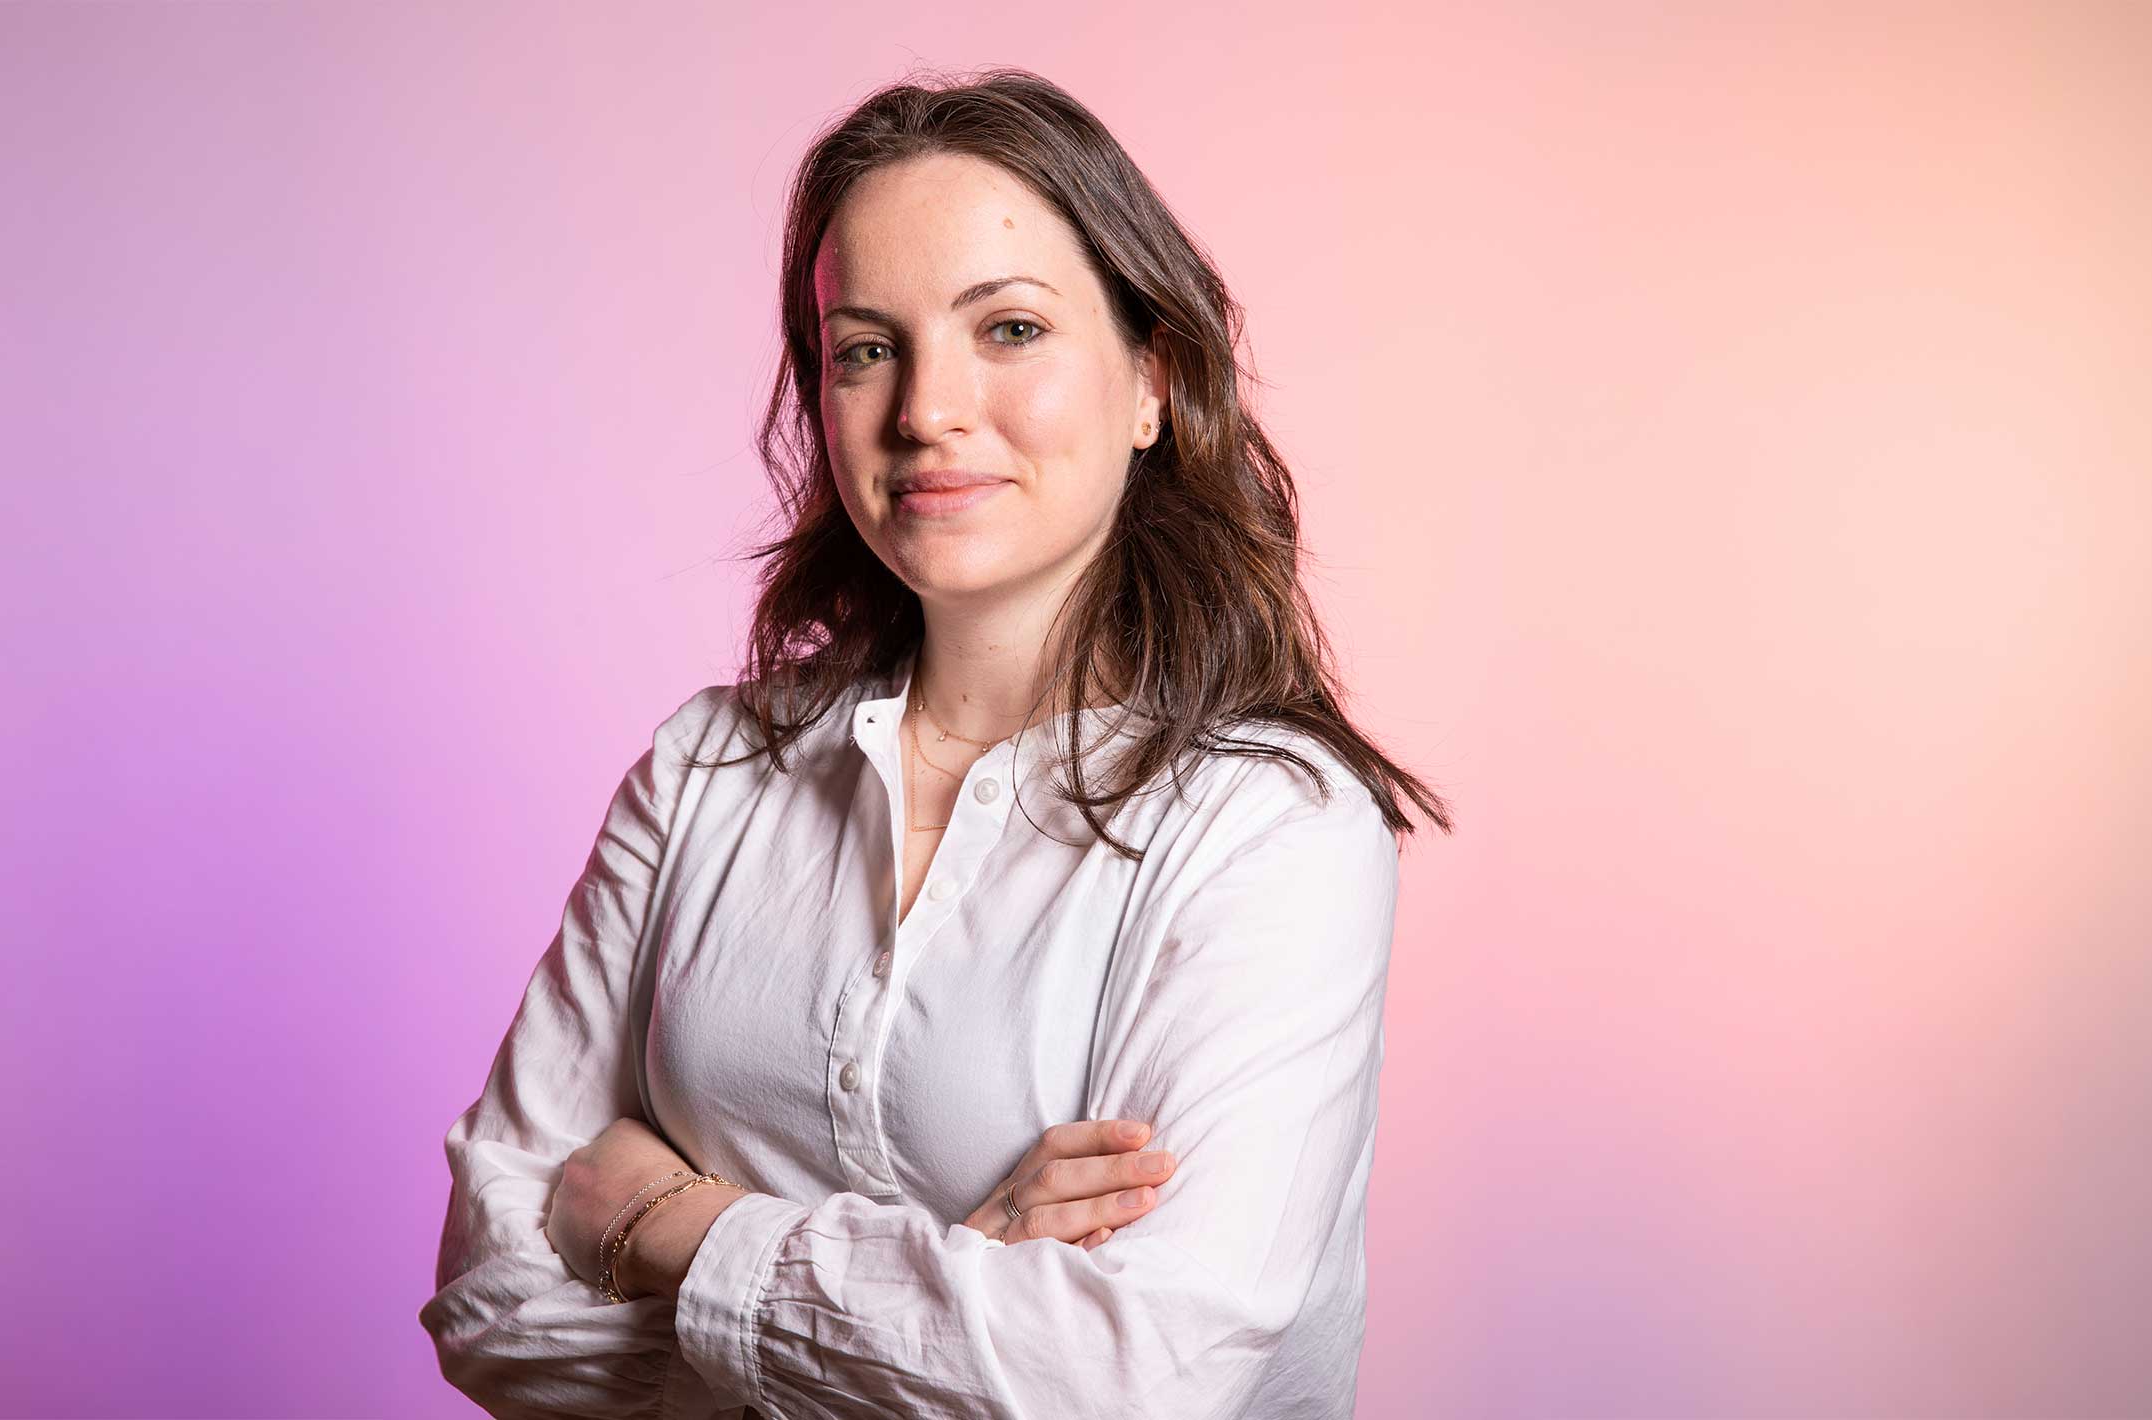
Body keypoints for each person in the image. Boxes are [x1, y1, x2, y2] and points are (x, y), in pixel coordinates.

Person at [419, 65, 1454, 1419]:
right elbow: (490, 1299)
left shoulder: (1272, 827)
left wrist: (671, 1223)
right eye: (866, 347)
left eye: (1008, 328)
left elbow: (1130, 1381)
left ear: (1153, 379)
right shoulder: (706, 773)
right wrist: (960, 1281)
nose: (926, 411)